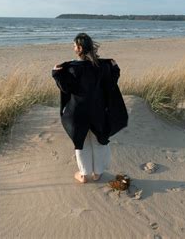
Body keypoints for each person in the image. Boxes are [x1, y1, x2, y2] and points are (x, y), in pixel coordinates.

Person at [52, 33, 128, 183]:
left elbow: (66, 88)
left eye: (74, 45)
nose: (73, 48)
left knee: (81, 141)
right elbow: (111, 81)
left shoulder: (72, 69)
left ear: (79, 48)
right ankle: (97, 173)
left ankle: (84, 174)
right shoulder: (102, 67)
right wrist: (115, 67)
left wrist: (56, 73)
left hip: (78, 112)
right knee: (98, 140)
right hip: (98, 111)